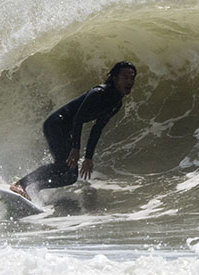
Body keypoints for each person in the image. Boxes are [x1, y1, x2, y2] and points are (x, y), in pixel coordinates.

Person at [10, 61, 137, 199]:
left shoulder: (116, 103)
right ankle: (20, 184)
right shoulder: (98, 93)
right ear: (114, 78)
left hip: (66, 131)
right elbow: (78, 119)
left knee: (70, 177)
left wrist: (88, 158)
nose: (129, 81)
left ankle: (35, 187)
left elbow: (97, 129)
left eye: (132, 78)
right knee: (63, 165)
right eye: (125, 77)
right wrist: (75, 148)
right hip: (55, 124)